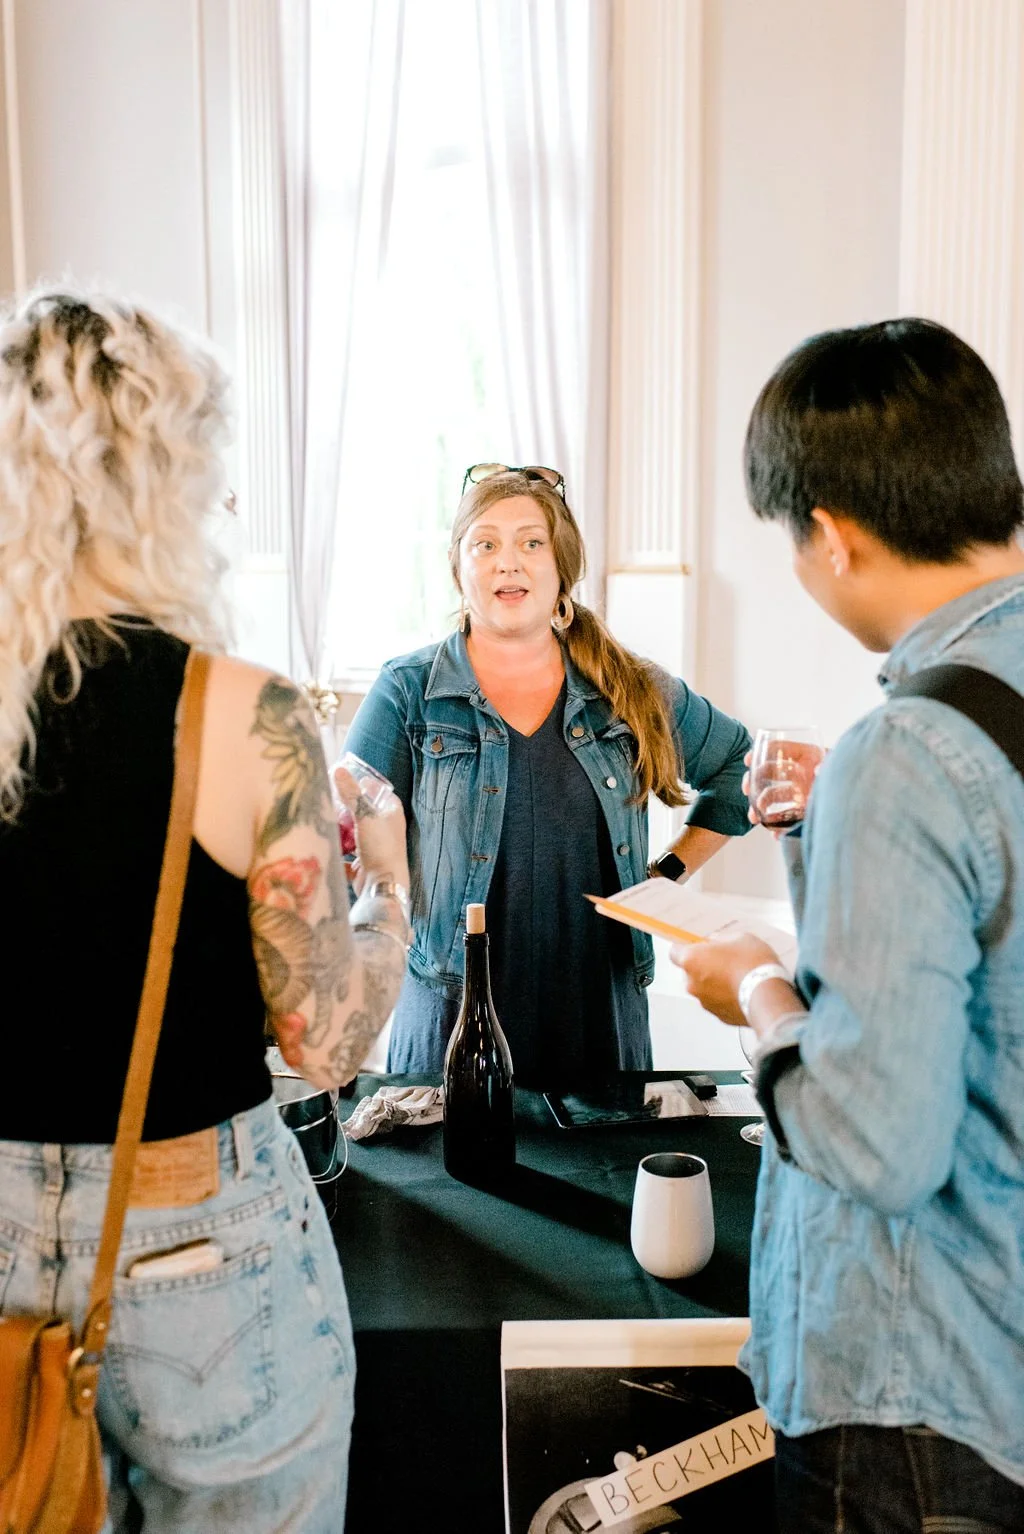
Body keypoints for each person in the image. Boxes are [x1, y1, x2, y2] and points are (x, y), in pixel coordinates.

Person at [0, 289, 411, 1532]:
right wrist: (390, 888)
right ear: (166, 474)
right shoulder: (239, 712)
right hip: (202, 1244)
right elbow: (325, 1043)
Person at [674, 319, 1024, 1531]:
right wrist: (837, 824)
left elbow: (877, 1145)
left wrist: (754, 990)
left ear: (829, 533)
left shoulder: (910, 752)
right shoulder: (966, 727)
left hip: (911, 1390)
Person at [345, 464, 751, 1081]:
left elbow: (742, 767)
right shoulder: (407, 691)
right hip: (450, 1023)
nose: (508, 563)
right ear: (459, 569)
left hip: (599, 1019)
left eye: (531, 543)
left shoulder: (630, 688)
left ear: (562, 565)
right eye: (485, 544)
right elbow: (345, 840)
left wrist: (668, 872)